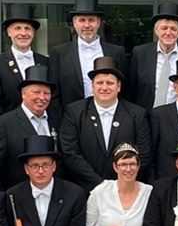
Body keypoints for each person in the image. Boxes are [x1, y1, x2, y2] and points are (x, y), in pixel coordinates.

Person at [59, 56, 152, 191]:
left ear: (118, 86)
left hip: (125, 190)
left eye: (110, 83)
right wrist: (100, 185)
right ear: (92, 86)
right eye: (99, 83)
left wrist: (120, 184)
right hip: (85, 190)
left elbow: (143, 154)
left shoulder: (137, 114)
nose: (104, 87)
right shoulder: (74, 112)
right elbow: (70, 153)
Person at [0, 65, 59, 190]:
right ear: (23, 94)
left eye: (46, 93)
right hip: (16, 195)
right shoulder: (2, 124)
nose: (42, 98)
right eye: (36, 92)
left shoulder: (58, 120)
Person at [48, 0, 126, 113]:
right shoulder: (59, 53)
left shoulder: (116, 52)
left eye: (91, 20)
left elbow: (124, 89)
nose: (87, 25)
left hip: (109, 114)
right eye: (82, 20)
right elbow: (54, 93)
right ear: (74, 23)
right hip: (71, 116)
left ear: (98, 23)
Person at [127, 3, 178, 109]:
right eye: (164, 28)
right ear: (156, 31)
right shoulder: (140, 53)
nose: (168, 33)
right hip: (145, 115)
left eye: (173, 29)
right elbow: (131, 89)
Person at [0, 4, 49, 117]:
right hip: (8, 125)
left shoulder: (46, 62)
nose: (23, 33)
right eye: (17, 28)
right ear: (9, 32)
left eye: (27, 28)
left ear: (34, 33)